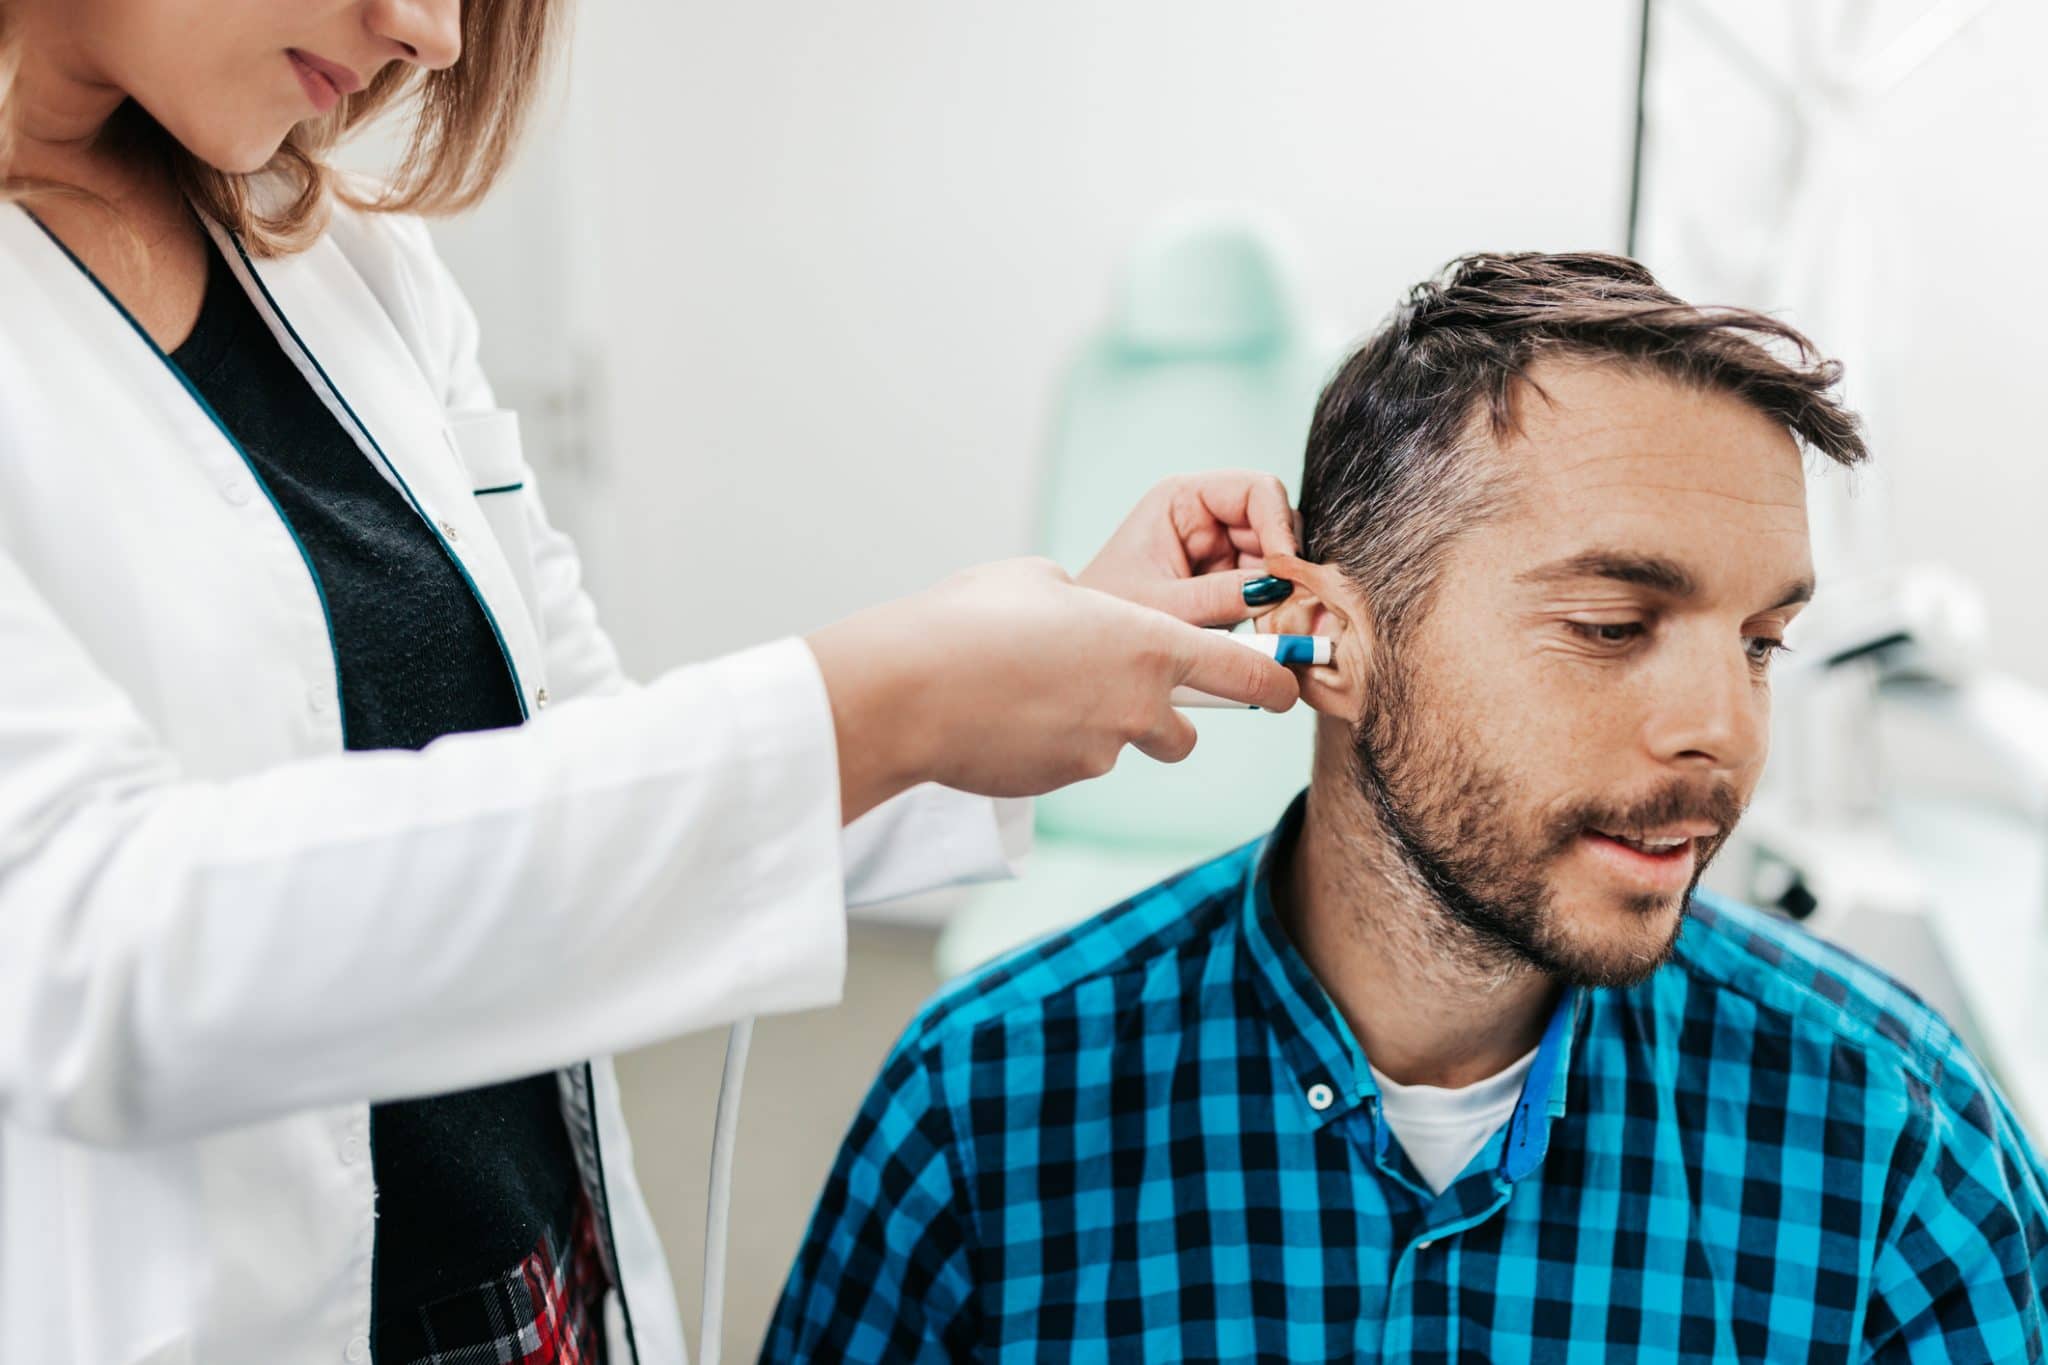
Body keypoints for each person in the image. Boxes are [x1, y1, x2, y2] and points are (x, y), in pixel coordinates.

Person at [0, 3, 1311, 1362]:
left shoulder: (353, 267)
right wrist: (888, 698)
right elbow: (89, 946)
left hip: (542, 1294)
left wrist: (1020, 669)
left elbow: (576, 753)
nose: (432, 37)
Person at [769, 253, 2048, 1362]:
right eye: (1609, 626)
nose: (1721, 731)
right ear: (1324, 638)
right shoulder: (986, 1111)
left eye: (1760, 642)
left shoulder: (1891, 1145)